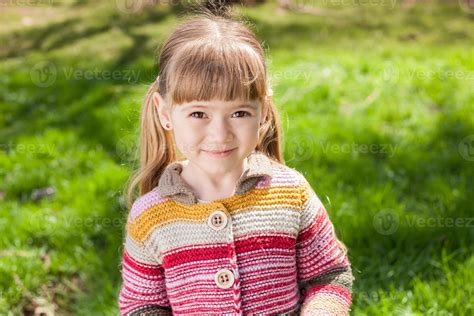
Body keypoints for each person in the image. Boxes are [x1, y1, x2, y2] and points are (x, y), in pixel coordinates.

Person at [118, 5, 354, 316]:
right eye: (198, 113)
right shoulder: (149, 217)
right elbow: (142, 305)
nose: (220, 133)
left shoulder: (291, 193)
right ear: (165, 113)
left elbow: (330, 275)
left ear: (263, 112)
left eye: (239, 113)